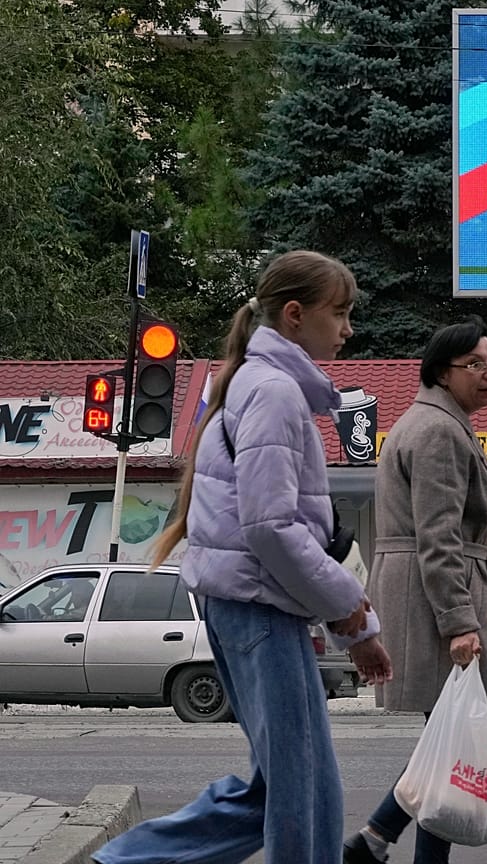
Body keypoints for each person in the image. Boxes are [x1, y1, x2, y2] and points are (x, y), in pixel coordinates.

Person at [94, 250, 393, 864]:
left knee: (285, 787)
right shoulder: (276, 392)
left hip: (245, 604)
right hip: (258, 608)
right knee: (301, 791)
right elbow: (270, 527)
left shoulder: (249, 382)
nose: (348, 328)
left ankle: (121, 860)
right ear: (293, 315)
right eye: (339, 313)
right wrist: (351, 613)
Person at [344, 317, 487, 864]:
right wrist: (459, 621)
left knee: (444, 737)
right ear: (444, 371)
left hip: (423, 584)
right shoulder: (440, 430)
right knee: (449, 737)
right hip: (434, 591)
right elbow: (437, 536)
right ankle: (379, 841)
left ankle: (373, 839)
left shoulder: (431, 420)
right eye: (478, 365)